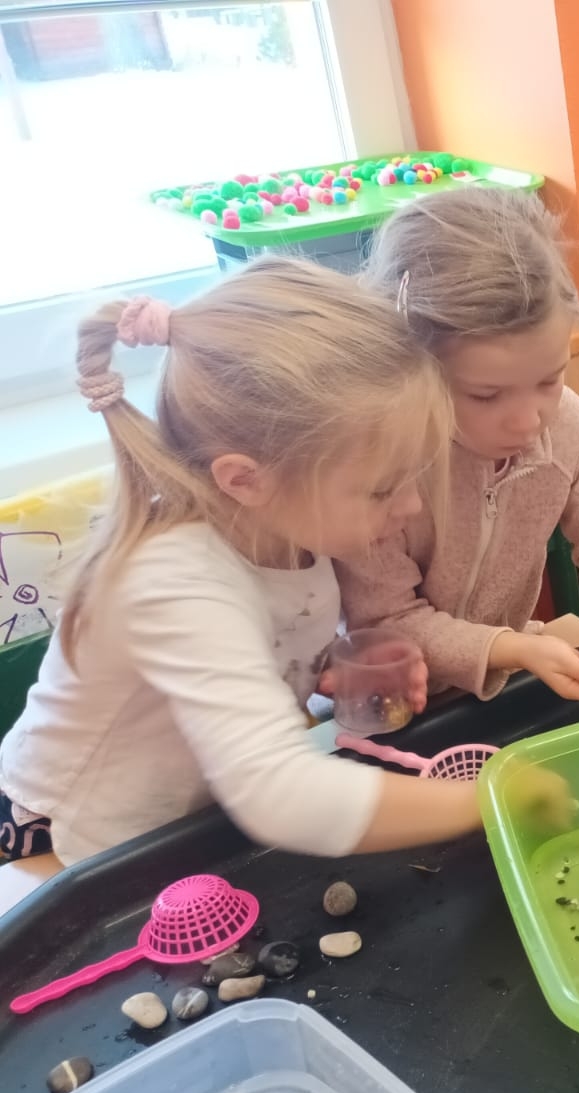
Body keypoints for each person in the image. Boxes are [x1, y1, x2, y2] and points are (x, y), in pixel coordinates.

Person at [0, 258, 545, 867]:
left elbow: (252, 659)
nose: (412, 505)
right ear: (245, 480)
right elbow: (276, 792)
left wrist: (329, 670)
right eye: (381, 489)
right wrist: (490, 800)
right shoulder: (170, 577)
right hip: (63, 849)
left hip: (193, 825)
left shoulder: (291, 530)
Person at [338, 187, 579, 706]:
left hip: (507, 673)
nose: (529, 420)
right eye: (486, 395)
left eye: (550, 379)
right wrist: (514, 648)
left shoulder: (569, 426)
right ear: (411, 369)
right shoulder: (381, 467)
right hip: (392, 699)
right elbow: (387, 620)